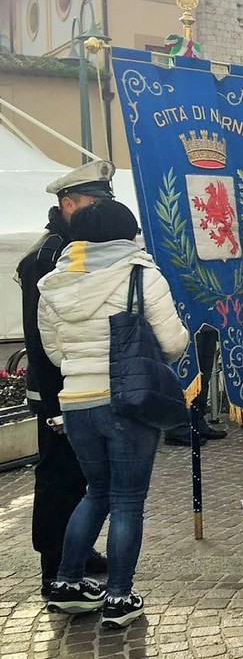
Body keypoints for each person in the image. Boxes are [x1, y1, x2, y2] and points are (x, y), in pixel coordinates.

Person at [38, 200, 189, 629]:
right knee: (127, 500)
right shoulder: (141, 275)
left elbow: (54, 352)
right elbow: (174, 343)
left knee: (95, 492)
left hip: (77, 402)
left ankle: (68, 583)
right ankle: (120, 596)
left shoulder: (53, 284)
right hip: (128, 401)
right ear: (127, 234)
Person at [17, 162, 111, 597]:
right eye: (94, 204)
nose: (100, 213)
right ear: (68, 204)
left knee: (86, 475)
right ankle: (54, 565)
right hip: (57, 387)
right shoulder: (48, 254)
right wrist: (54, 403)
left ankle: (79, 548)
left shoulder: (81, 244)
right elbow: (39, 336)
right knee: (59, 477)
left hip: (81, 384)